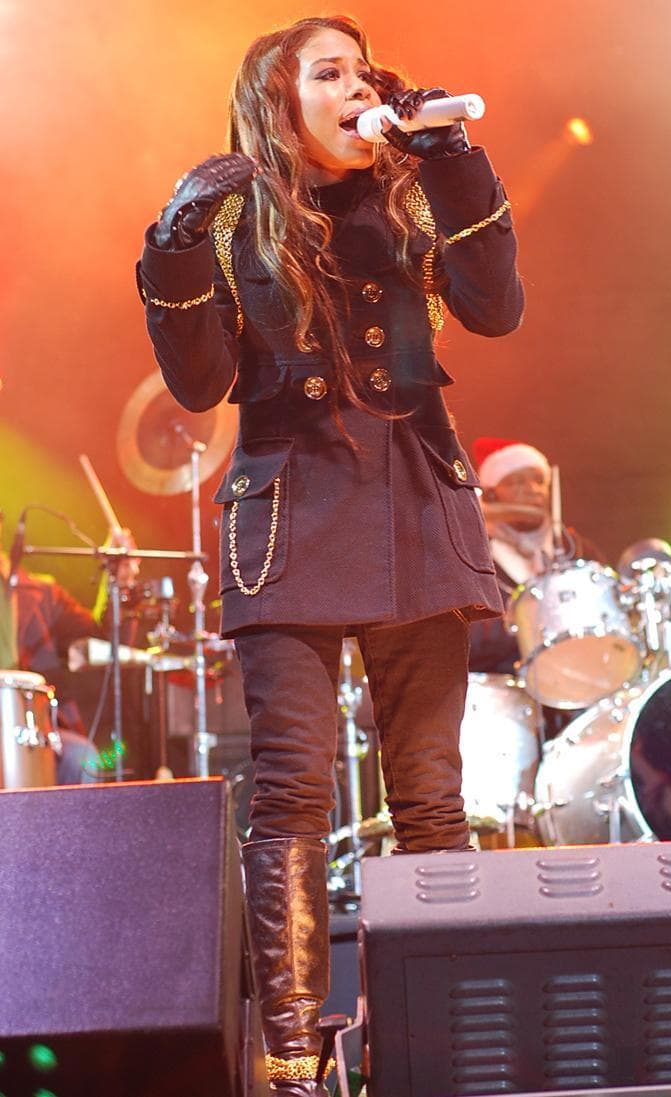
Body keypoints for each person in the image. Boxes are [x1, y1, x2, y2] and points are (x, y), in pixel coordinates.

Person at [137, 16, 523, 1094]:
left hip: (414, 503)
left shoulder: (410, 193)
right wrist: (174, 239)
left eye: (363, 71)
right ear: (278, 103)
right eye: (329, 73)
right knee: (293, 792)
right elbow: (198, 385)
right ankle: (295, 1064)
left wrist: (452, 155)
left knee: (432, 796)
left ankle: (445, 1046)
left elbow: (495, 308)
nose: (358, 88)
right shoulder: (229, 221)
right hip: (289, 520)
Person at [0, 519, 140, 783]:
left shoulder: (41, 593)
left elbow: (104, 643)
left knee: (80, 759)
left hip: (32, 728)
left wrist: (118, 582)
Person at [468, 437, 605, 677]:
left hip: (580, 676)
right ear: (491, 495)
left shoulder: (574, 547)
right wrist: (523, 621)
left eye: (538, 480)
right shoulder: (474, 553)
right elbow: (468, 640)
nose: (532, 489)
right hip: (506, 684)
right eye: (517, 482)